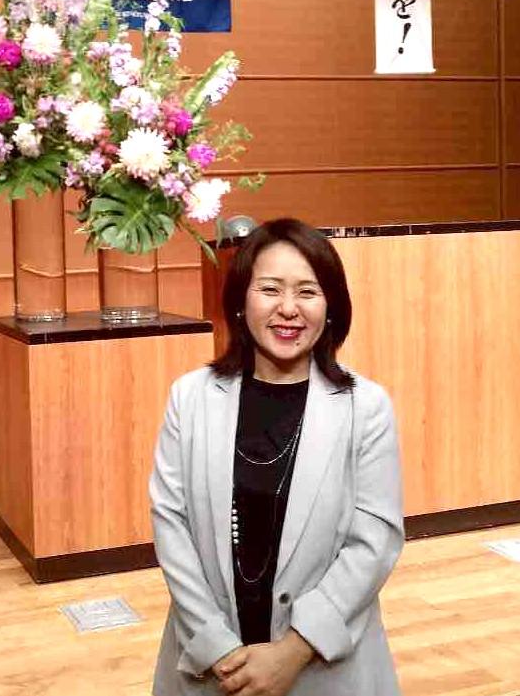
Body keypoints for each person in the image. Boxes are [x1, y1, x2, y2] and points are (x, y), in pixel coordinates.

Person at [149, 218, 403, 696]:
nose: (288, 308)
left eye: (308, 292)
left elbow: (374, 540)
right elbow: (171, 524)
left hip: (324, 668)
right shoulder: (191, 397)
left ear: (331, 307)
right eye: (270, 289)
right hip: (209, 665)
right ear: (241, 302)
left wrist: (293, 651)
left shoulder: (365, 407)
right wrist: (216, 646)